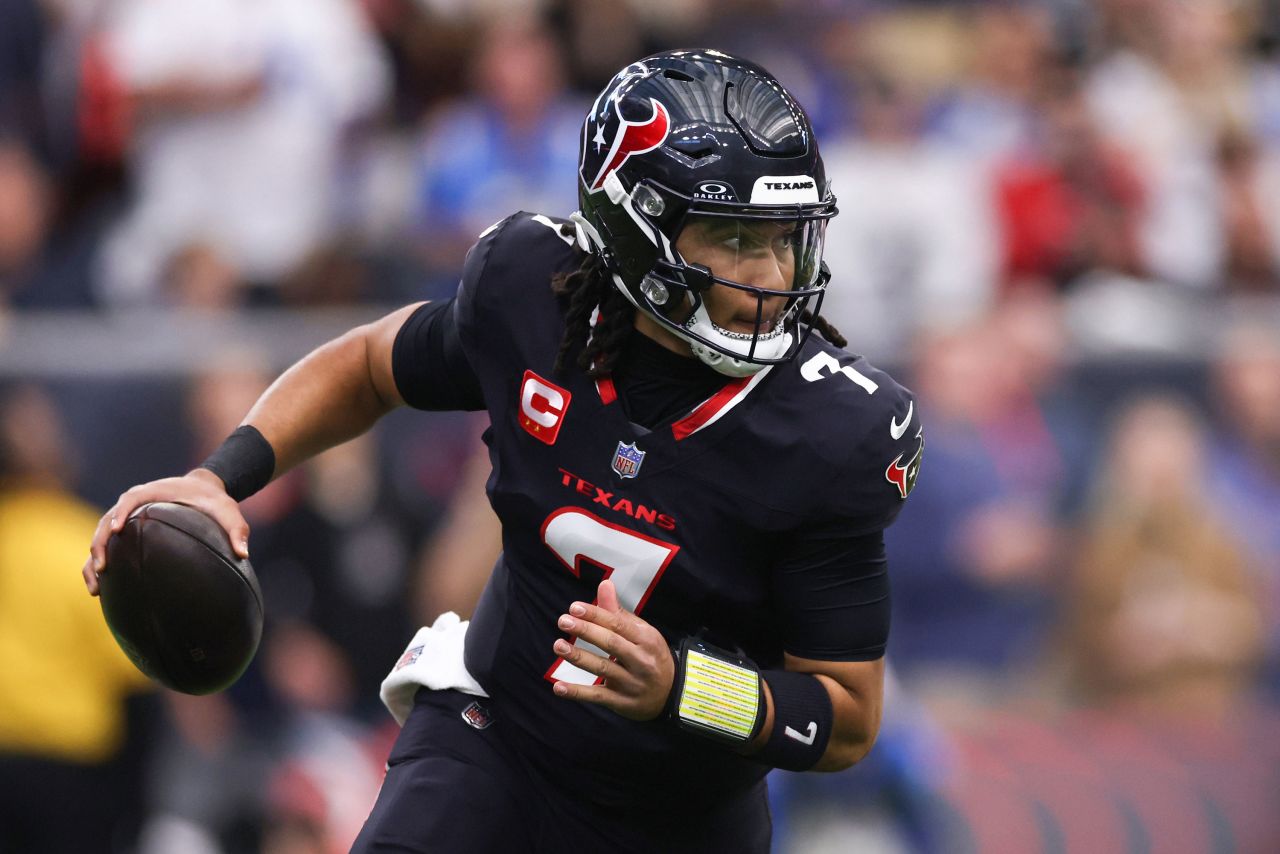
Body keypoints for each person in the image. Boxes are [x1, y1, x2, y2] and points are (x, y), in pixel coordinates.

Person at [84, 50, 922, 853]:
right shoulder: (537, 291)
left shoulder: (831, 430)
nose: (773, 274)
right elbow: (373, 365)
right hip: (496, 741)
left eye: (786, 237)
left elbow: (846, 716)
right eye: (736, 240)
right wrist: (215, 478)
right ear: (637, 230)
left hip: (680, 816)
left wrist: (683, 686)